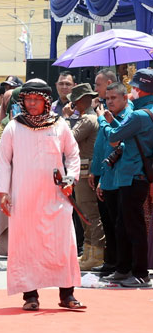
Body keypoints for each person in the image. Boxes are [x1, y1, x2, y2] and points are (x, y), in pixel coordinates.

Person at [0, 79, 85, 311]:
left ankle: (67, 295)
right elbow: (4, 162)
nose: (32, 103)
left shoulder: (60, 125)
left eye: (36, 99)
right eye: (28, 99)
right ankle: (30, 296)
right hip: (24, 199)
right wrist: (3, 192)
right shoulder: (14, 127)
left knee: (63, 244)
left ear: (46, 101)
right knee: (26, 246)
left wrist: (71, 178)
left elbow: (73, 155)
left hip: (56, 197)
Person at [98, 69, 153, 287]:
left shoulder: (140, 115)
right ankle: (123, 269)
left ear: (140, 89)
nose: (131, 92)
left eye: (133, 88)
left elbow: (113, 137)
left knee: (133, 226)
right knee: (123, 225)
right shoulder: (146, 112)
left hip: (133, 177)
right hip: (133, 177)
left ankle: (139, 273)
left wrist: (104, 120)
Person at [92, 82, 131, 276]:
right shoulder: (107, 116)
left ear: (125, 98)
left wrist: (104, 121)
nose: (109, 102)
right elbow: (101, 149)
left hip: (121, 178)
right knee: (108, 222)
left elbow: (117, 142)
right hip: (107, 176)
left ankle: (122, 265)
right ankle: (111, 262)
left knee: (120, 224)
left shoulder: (129, 117)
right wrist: (98, 175)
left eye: (113, 98)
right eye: (107, 99)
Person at [67, 83, 104, 270]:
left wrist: (66, 118)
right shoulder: (89, 118)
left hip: (85, 171)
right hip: (83, 170)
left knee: (89, 213)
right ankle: (90, 252)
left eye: (74, 102)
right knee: (85, 213)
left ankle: (96, 253)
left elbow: (68, 138)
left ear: (80, 101)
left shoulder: (88, 120)